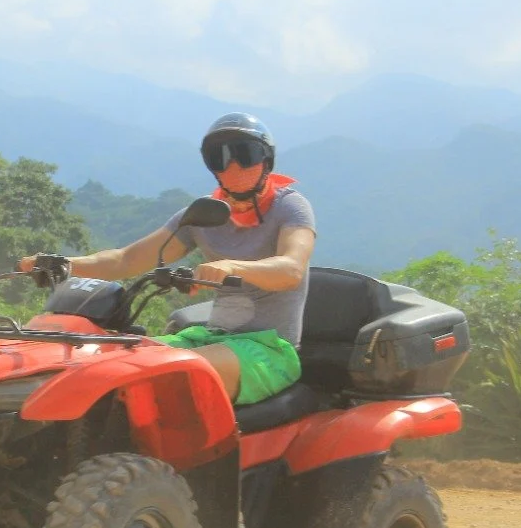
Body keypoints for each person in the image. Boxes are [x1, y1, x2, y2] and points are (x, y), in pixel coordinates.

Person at [19, 112, 316, 407]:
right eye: (219, 157)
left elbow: (291, 269)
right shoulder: (202, 214)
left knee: (177, 371)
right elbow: (126, 260)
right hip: (208, 337)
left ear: (266, 160)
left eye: (245, 154)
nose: (233, 165)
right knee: (107, 360)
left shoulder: (290, 206)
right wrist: (64, 264)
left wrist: (231, 267)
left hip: (268, 349)